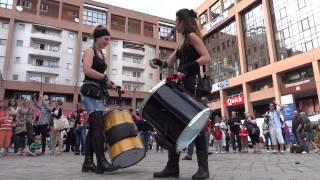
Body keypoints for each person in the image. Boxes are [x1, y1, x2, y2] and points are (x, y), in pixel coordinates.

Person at [150, 8, 211, 179]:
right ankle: (172, 167)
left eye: (175, 21)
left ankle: (203, 169)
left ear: (182, 22)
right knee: (174, 125)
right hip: (182, 86)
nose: (174, 24)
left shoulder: (192, 37)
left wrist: (187, 68)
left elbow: (206, 57)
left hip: (193, 85)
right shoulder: (182, 42)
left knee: (197, 127)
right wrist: (158, 62)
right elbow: (168, 62)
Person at [81, 25, 118, 174]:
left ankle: (88, 163)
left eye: (109, 39)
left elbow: (101, 77)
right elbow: (87, 70)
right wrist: (104, 77)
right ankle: (101, 162)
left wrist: (112, 85)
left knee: (94, 127)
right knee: (97, 126)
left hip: (98, 92)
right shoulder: (89, 51)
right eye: (105, 39)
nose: (107, 41)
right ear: (97, 38)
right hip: (90, 91)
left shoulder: (102, 54)